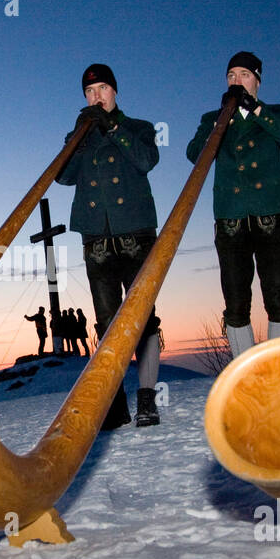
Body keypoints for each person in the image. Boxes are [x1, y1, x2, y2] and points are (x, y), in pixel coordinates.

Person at [55, 63, 162, 428]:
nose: (96, 96)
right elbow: (62, 176)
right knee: (106, 322)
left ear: (115, 91)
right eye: (89, 91)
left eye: (102, 88)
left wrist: (113, 127)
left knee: (143, 317)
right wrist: (81, 136)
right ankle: (115, 404)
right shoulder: (81, 134)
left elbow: (147, 160)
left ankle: (147, 397)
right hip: (96, 238)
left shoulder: (139, 128)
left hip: (136, 233)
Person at [186, 51, 280, 359]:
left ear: (257, 81)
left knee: (278, 297)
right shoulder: (212, 118)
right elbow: (195, 156)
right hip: (230, 221)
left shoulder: (277, 112)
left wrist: (258, 110)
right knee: (236, 302)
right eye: (231, 76)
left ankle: (279, 367)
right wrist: (220, 122)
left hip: (271, 218)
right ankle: (245, 371)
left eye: (244, 75)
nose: (237, 81)